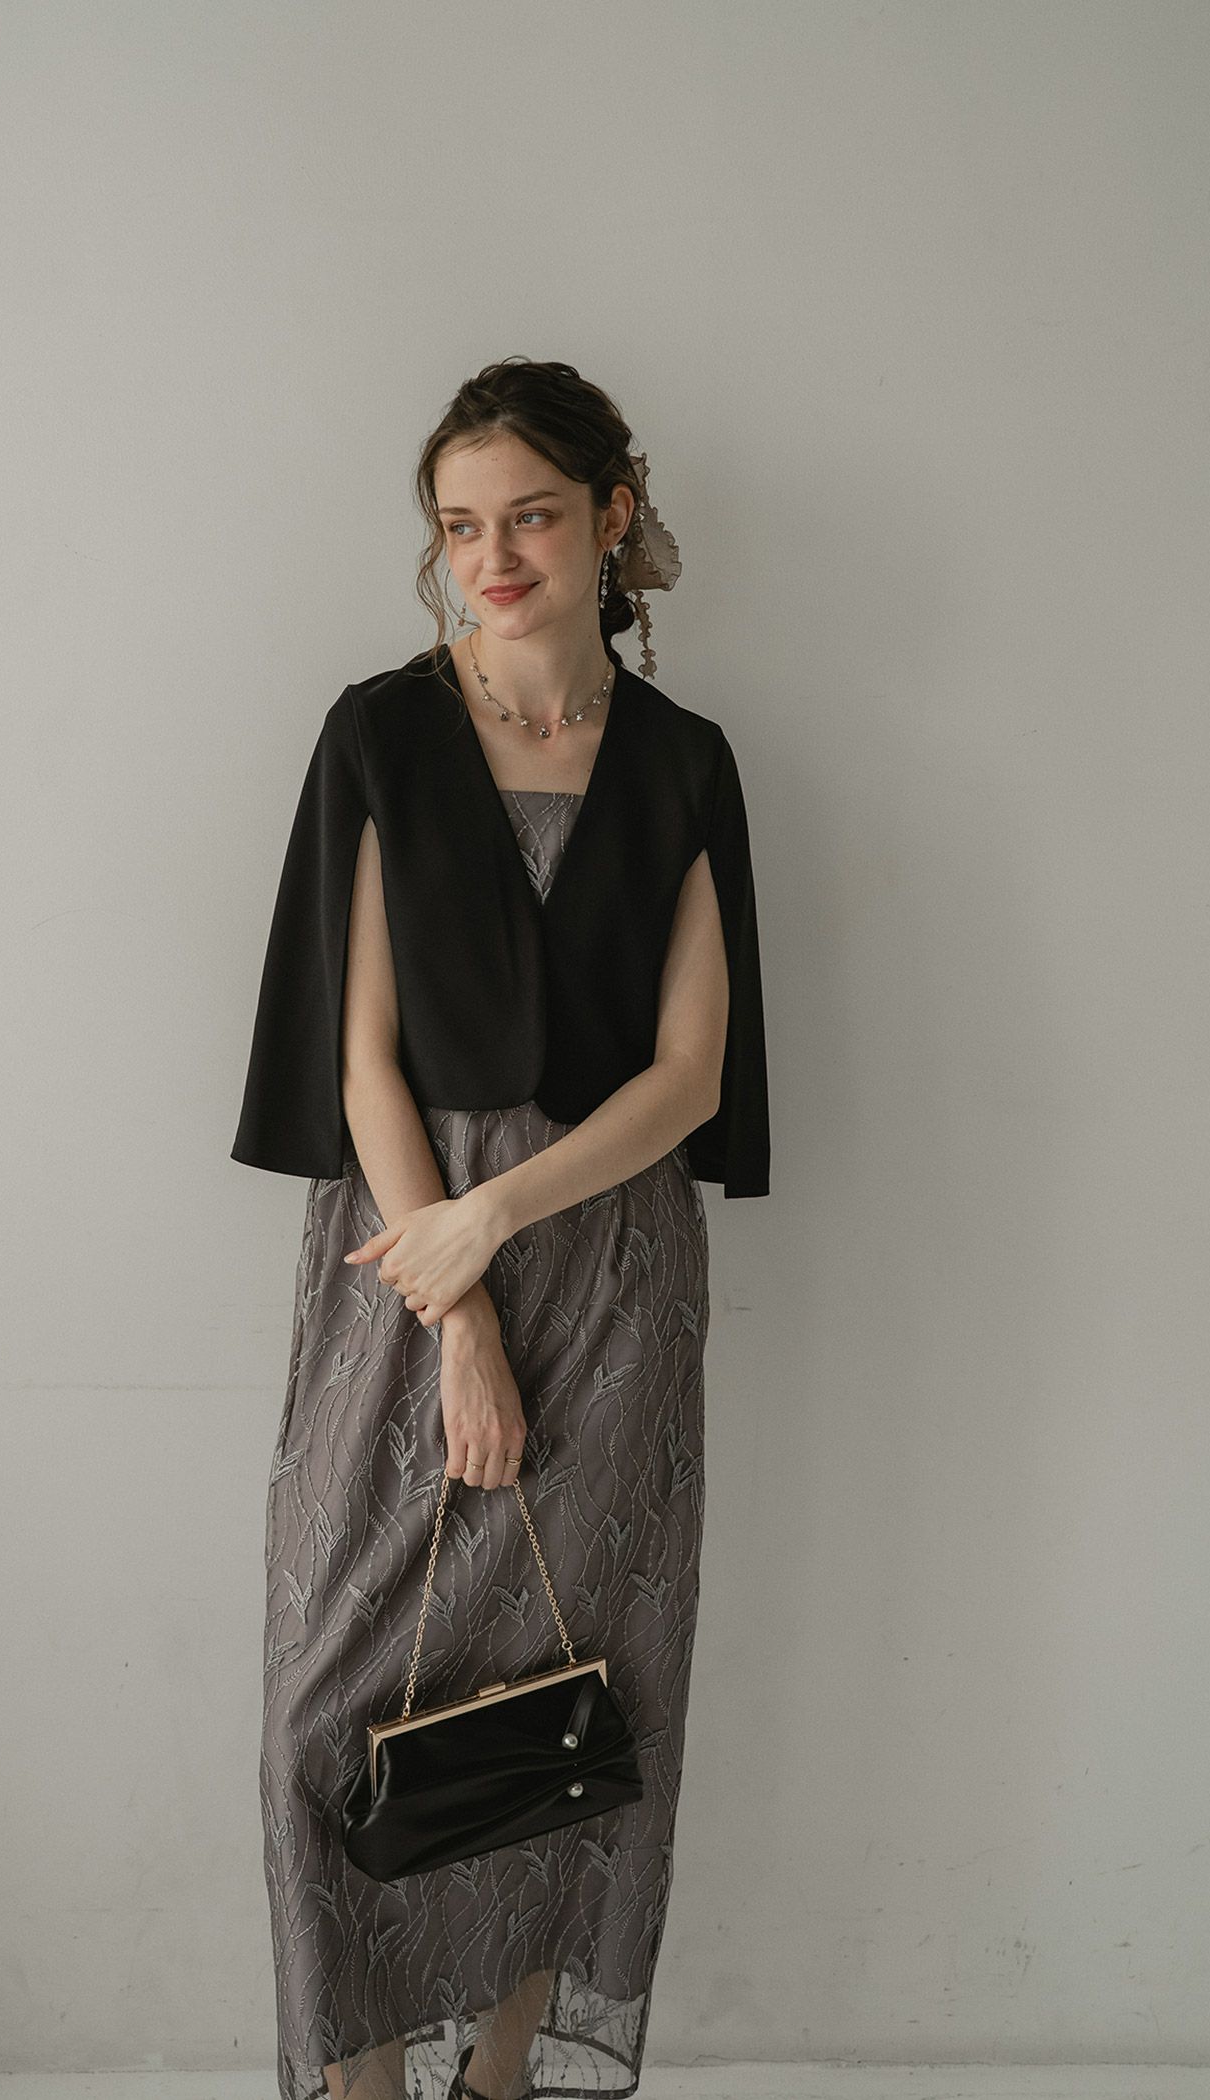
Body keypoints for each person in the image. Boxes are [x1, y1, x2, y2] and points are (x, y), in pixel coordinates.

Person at [231, 357, 770, 2100]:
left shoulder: (684, 762)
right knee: (331, 1701)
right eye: (461, 527)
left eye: (531, 517)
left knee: (572, 1681)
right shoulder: (381, 733)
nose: (495, 560)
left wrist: (504, 1217)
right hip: (401, 1256)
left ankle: (503, 2077)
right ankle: (362, 2082)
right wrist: (455, 1300)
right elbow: (361, 1060)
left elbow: (689, 1077)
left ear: (612, 517)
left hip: (611, 1256)